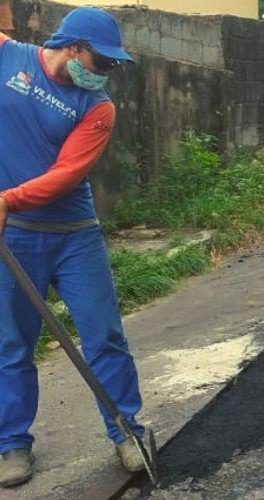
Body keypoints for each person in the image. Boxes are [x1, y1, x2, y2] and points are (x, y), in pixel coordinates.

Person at [0, 7, 149, 487]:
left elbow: (65, 177)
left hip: (74, 235)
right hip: (13, 235)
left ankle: (127, 431)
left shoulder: (99, 107)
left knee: (103, 335)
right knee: (9, 345)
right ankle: (11, 445)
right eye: (102, 62)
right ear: (73, 47)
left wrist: (5, 198)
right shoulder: (9, 57)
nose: (105, 73)